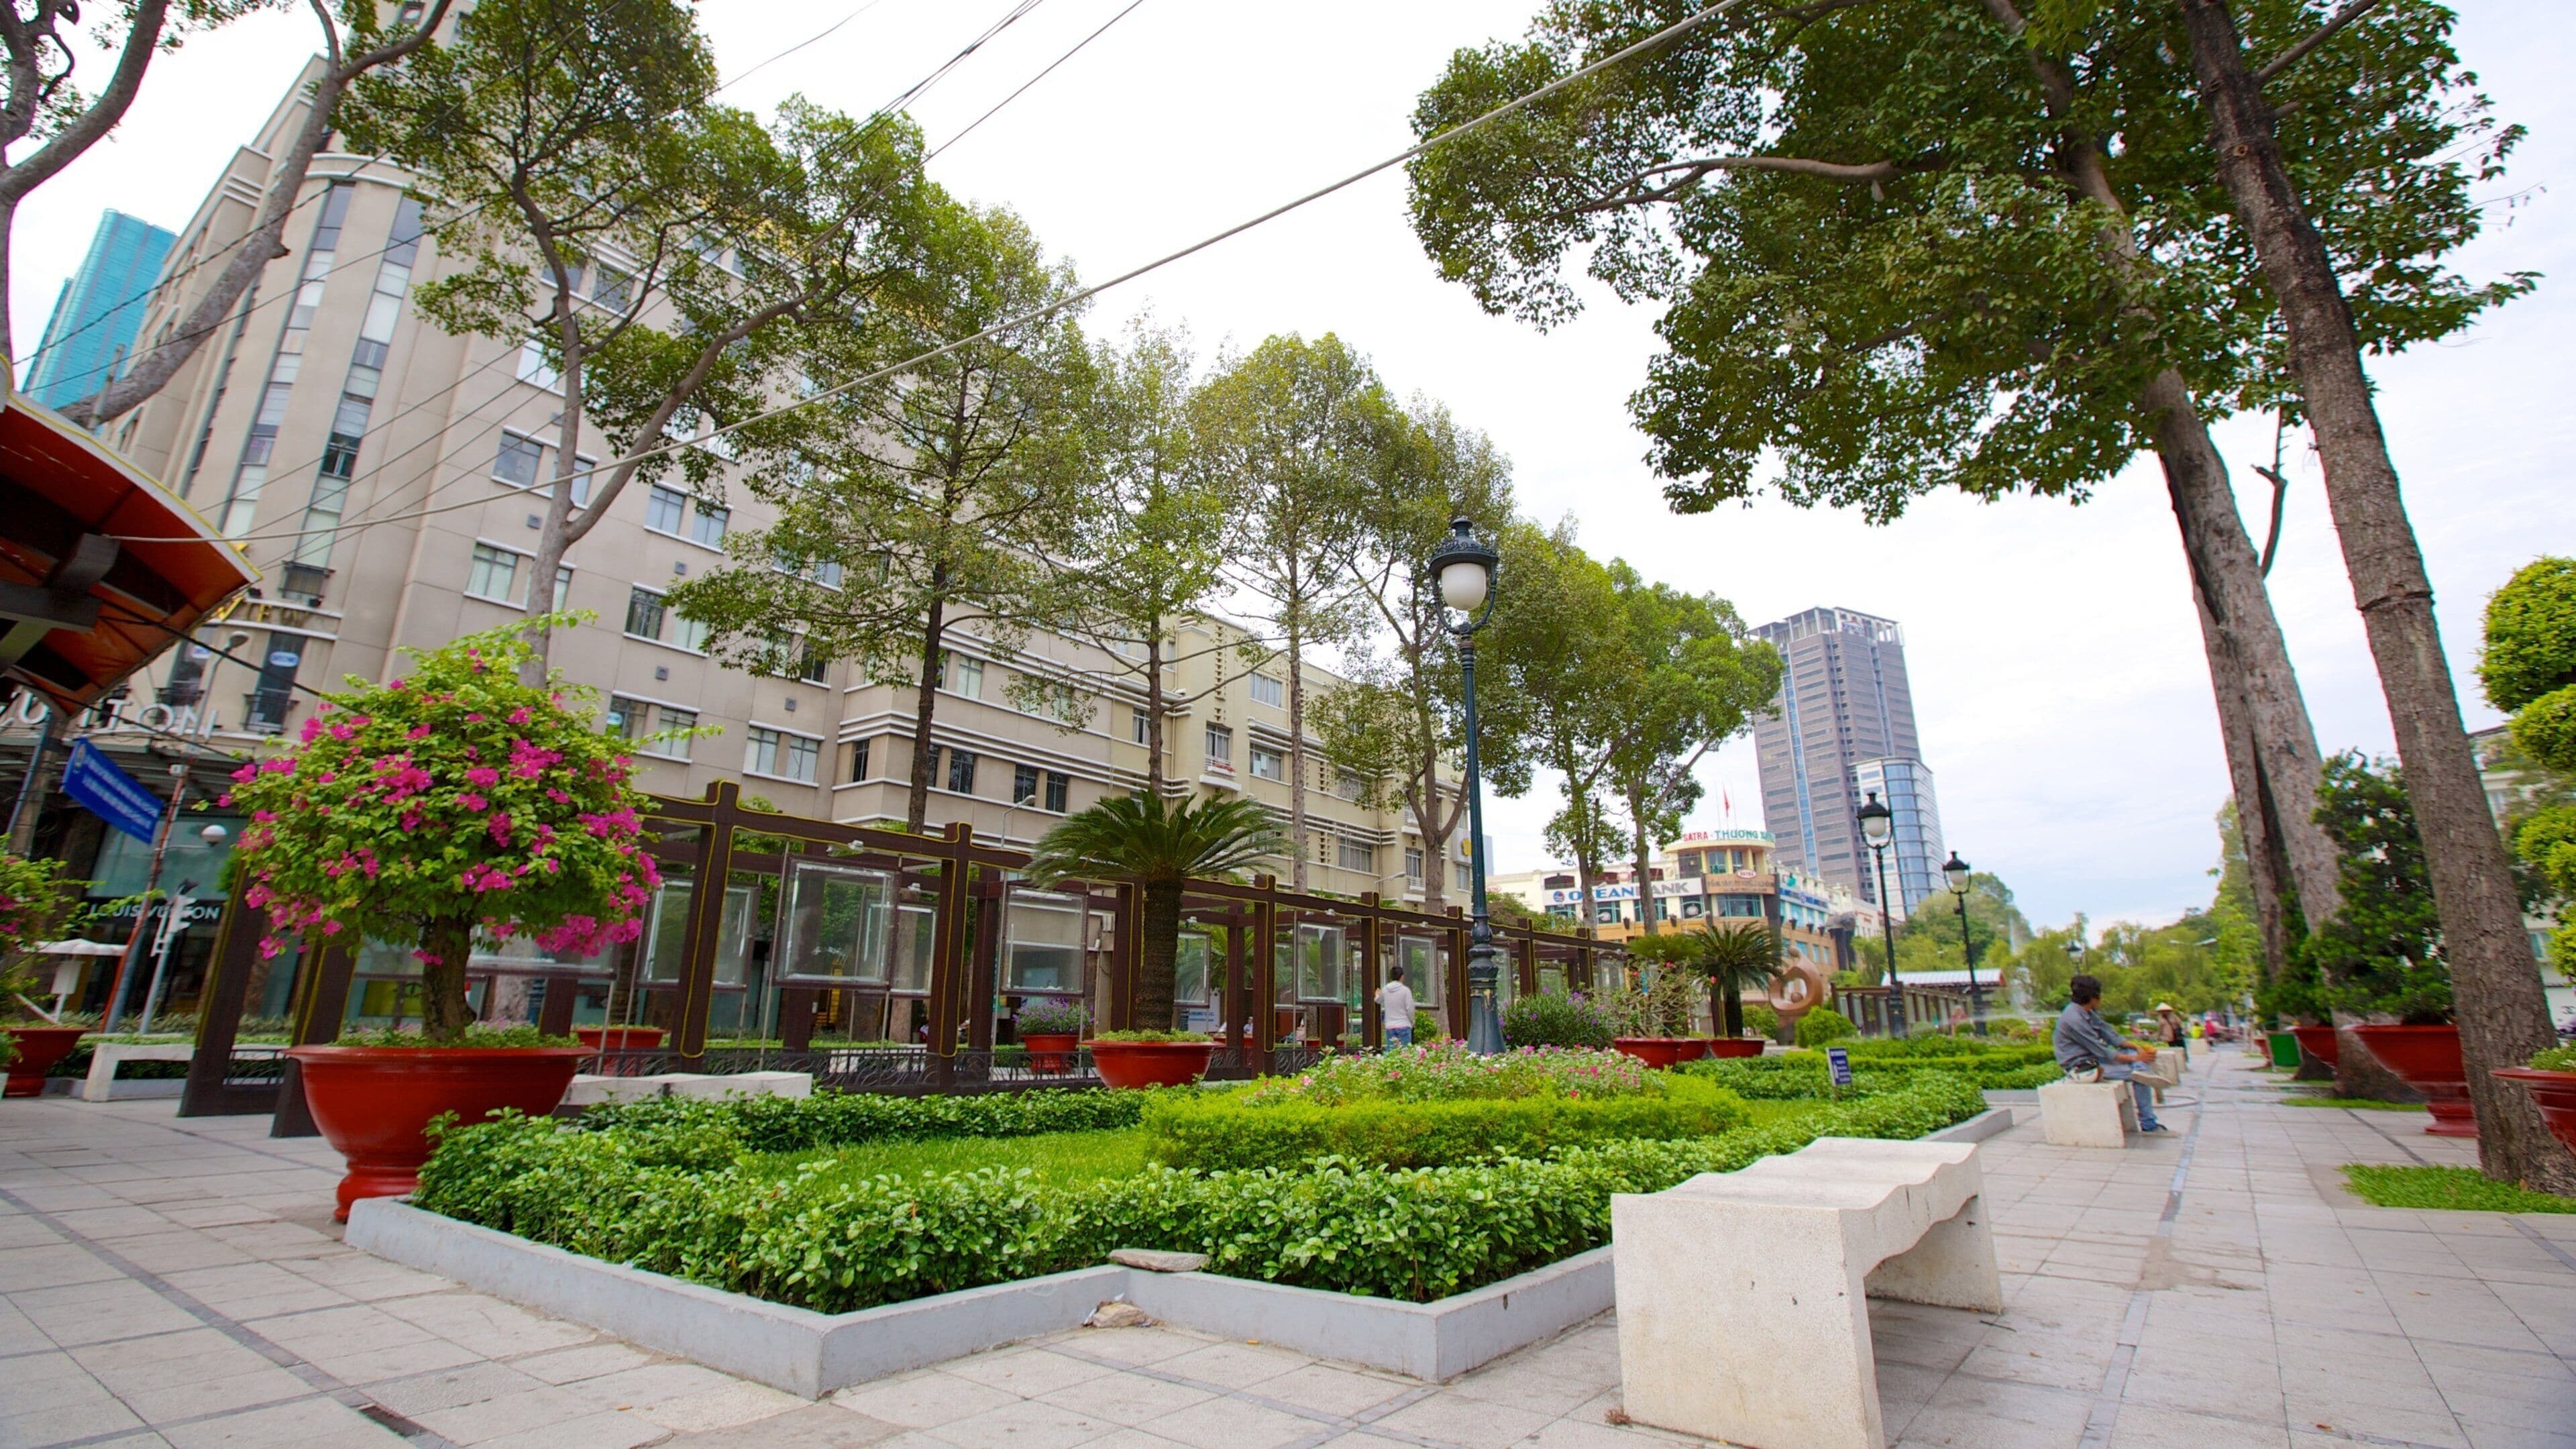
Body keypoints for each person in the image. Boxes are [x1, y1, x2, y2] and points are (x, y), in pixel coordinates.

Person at [2055, 975, 2166, 1133]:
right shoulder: (2074, 1019)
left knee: (2133, 1058)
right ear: (2093, 997)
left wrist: (2136, 1047)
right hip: (2083, 1068)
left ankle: (2142, 1069)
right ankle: (2149, 1124)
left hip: (2096, 1060)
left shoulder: (2086, 1012)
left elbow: (2110, 1035)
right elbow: (2103, 1051)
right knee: (2138, 1076)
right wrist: (2136, 1058)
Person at [1377, 965, 1417, 1049]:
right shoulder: (1406, 990)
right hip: (1404, 1025)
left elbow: (1378, 1000)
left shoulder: (1385, 989)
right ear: (1402, 977)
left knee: (1392, 1054)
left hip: (1390, 1026)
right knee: (1405, 1053)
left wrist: (1377, 995)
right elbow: (1410, 1009)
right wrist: (1412, 1022)